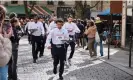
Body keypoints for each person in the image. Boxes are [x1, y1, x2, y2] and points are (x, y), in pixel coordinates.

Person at [0, 5, 12, 80]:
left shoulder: (5, 25)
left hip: (3, 58)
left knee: (4, 76)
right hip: (3, 58)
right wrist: (6, 39)